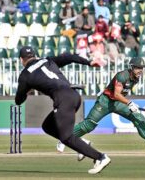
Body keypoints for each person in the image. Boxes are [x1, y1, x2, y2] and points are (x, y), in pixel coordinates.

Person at [15, 46, 111, 174]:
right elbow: (68, 57)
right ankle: (81, 143)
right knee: (48, 126)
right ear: (35, 55)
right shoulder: (47, 60)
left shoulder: (25, 75)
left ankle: (101, 157)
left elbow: (18, 100)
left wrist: (27, 90)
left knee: (66, 138)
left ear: (21, 59)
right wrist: (88, 62)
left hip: (63, 100)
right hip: (74, 95)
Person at [57, 57, 145, 158]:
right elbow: (117, 94)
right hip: (105, 102)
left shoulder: (136, 78)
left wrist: (128, 104)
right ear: (131, 67)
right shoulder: (122, 76)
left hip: (118, 103)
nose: (140, 70)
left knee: (138, 117)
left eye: (142, 68)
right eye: (137, 68)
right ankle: (64, 138)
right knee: (89, 125)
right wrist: (129, 103)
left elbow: (120, 96)